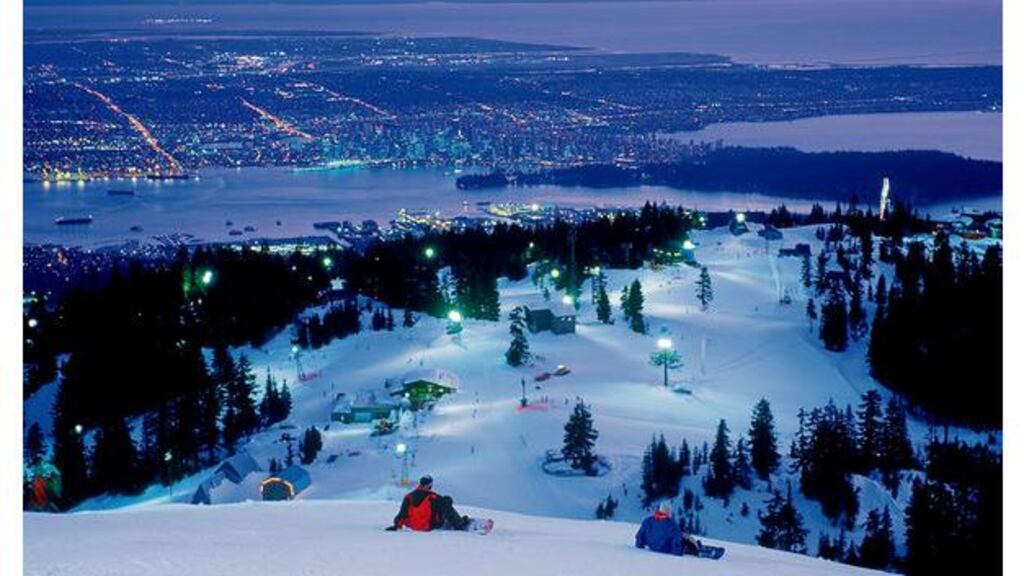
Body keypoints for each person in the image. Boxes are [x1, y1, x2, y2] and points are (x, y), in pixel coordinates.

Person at [390, 475, 469, 531]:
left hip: (413, 526)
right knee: (446, 504)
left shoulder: (408, 497)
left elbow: (401, 514)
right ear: (430, 485)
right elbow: (447, 503)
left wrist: (397, 525)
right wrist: (448, 500)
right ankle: (459, 524)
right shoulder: (432, 497)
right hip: (429, 526)